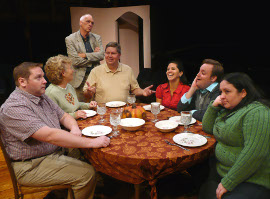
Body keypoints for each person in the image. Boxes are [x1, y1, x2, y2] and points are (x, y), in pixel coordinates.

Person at [0, 62, 110, 199]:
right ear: (22, 82)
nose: (45, 81)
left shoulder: (41, 96)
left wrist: (74, 128)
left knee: (92, 161)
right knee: (87, 174)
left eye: (43, 77)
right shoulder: (14, 107)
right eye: (38, 77)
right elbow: (50, 135)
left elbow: (64, 116)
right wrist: (92, 142)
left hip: (52, 153)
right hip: (30, 165)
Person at [200, 72, 270, 199]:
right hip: (223, 170)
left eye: (227, 91)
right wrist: (213, 106)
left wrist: (228, 182)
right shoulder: (229, 109)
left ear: (243, 93)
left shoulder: (257, 112)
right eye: (220, 92)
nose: (222, 96)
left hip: (252, 178)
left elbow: (254, 154)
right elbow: (207, 128)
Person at [83, 42, 155, 103]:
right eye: (107, 53)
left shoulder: (128, 70)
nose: (110, 56)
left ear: (119, 55)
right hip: (103, 111)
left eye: (113, 53)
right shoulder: (95, 71)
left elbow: (134, 89)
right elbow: (86, 94)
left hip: (124, 109)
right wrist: (89, 92)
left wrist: (143, 92)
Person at [65, 14, 104, 102]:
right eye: (88, 21)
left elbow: (101, 55)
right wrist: (93, 55)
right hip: (79, 79)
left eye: (92, 23)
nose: (90, 24)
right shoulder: (70, 39)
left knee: (96, 105)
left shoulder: (97, 38)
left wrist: (85, 55)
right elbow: (74, 61)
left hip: (95, 77)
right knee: (81, 107)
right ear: (81, 23)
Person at [45, 54, 97, 120]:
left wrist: (88, 105)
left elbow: (75, 106)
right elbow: (53, 118)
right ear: (63, 73)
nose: (73, 71)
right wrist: (74, 115)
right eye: (70, 68)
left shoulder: (69, 86)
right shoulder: (50, 93)